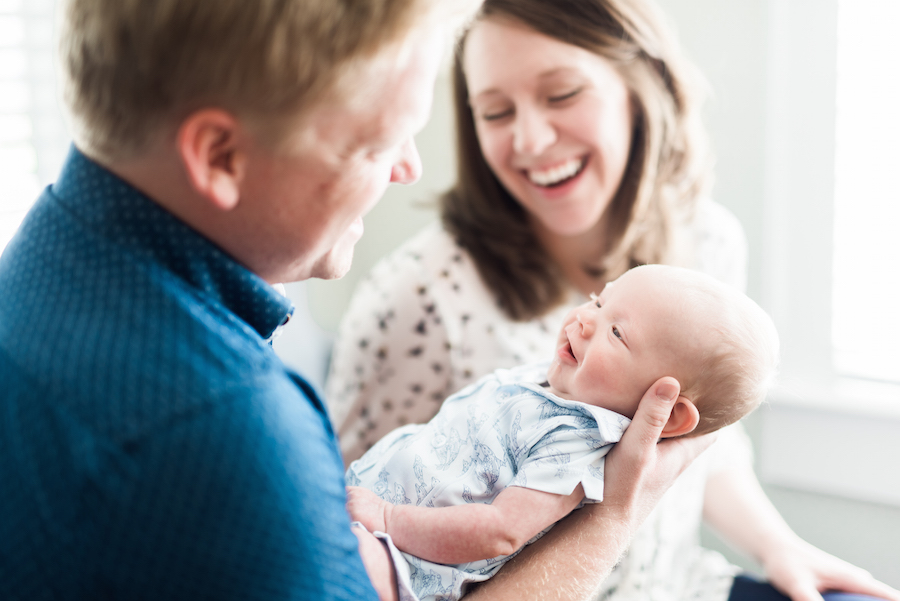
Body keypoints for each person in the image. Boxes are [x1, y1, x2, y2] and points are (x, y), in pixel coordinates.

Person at [325, 0, 900, 599]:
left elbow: (700, 435)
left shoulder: (707, 241)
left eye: (562, 94)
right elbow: (350, 534)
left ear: (638, 86)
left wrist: (778, 546)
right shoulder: (416, 298)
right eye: (495, 112)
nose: (530, 138)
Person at [0, 0, 478, 598]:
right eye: (378, 144)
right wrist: (605, 518)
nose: (409, 167)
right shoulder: (229, 433)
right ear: (220, 156)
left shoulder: (45, 254)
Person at [345, 264, 780, 601]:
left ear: (667, 415)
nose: (584, 320)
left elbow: (501, 530)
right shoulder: (555, 384)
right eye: (597, 301)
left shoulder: (576, 445)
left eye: (616, 333)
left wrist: (389, 520)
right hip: (368, 503)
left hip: (405, 563)